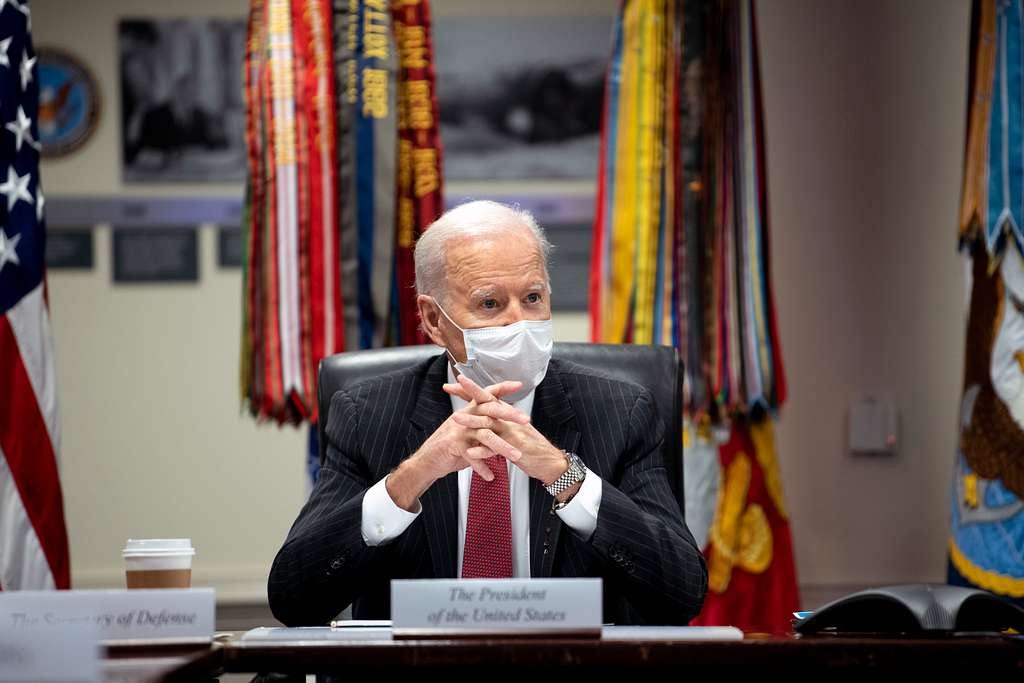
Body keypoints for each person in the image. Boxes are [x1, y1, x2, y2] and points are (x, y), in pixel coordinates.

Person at [268, 200, 708, 625]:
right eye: (490, 304)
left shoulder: (620, 411)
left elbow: (682, 592)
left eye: (533, 297)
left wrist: (565, 475)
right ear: (433, 320)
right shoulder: (368, 415)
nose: (519, 322)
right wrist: (411, 478)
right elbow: (294, 598)